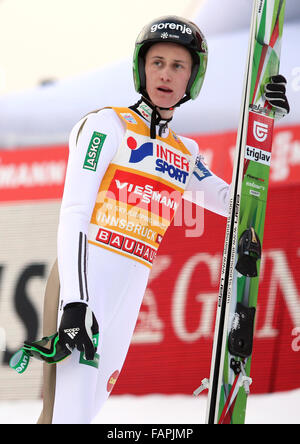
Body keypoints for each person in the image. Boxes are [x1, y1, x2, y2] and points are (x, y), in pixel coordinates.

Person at [35, 16, 289, 424]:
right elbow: (75, 213)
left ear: (193, 78)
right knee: (66, 414)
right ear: (141, 68)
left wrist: (264, 121)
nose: (166, 75)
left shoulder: (183, 152)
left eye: (178, 66)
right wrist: (78, 302)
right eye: (157, 63)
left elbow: (237, 203)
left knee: (81, 414)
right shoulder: (107, 125)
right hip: (82, 282)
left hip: (128, 290)